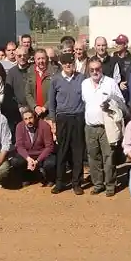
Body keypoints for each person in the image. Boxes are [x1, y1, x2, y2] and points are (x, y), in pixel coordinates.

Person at [81, 58, 125, 196]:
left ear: (102, 69)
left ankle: (110, 185)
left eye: (98, 69)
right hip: (90, 126)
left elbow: (121, 101)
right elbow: (84, 102)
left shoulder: (110, 82)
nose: (95, 72)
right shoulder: (84, 84)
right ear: (89, 70)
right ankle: (98, 184)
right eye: (92, 70)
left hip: (107, 126)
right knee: (93, 157)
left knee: (109, 157)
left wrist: (110, 104)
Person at [48, 53, 86, 195]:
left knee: (77, 152)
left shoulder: (82, 78)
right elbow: (52, 103)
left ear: (74, 63)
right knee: (62, 152)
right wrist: (53, 122)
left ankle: (76, 183)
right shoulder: (55, 79)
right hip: (62, 118)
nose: (68, 65)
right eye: (65, 63)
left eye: (70, 63)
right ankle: (60, 182)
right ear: (61, 64)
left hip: (78, 117)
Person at [12, 109, 56, 187]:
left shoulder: (44, 125)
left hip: (42, 154)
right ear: (23, 120)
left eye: (30, 118)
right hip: (28, 155)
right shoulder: (19, 126)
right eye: (26, 119)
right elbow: (19, 146)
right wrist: (28, 159)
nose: (29, 121)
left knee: (50, 163)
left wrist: (37, 161)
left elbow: (49, 146)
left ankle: (50, 178)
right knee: (16, 161)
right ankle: (27, 177)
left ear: (35, 117)